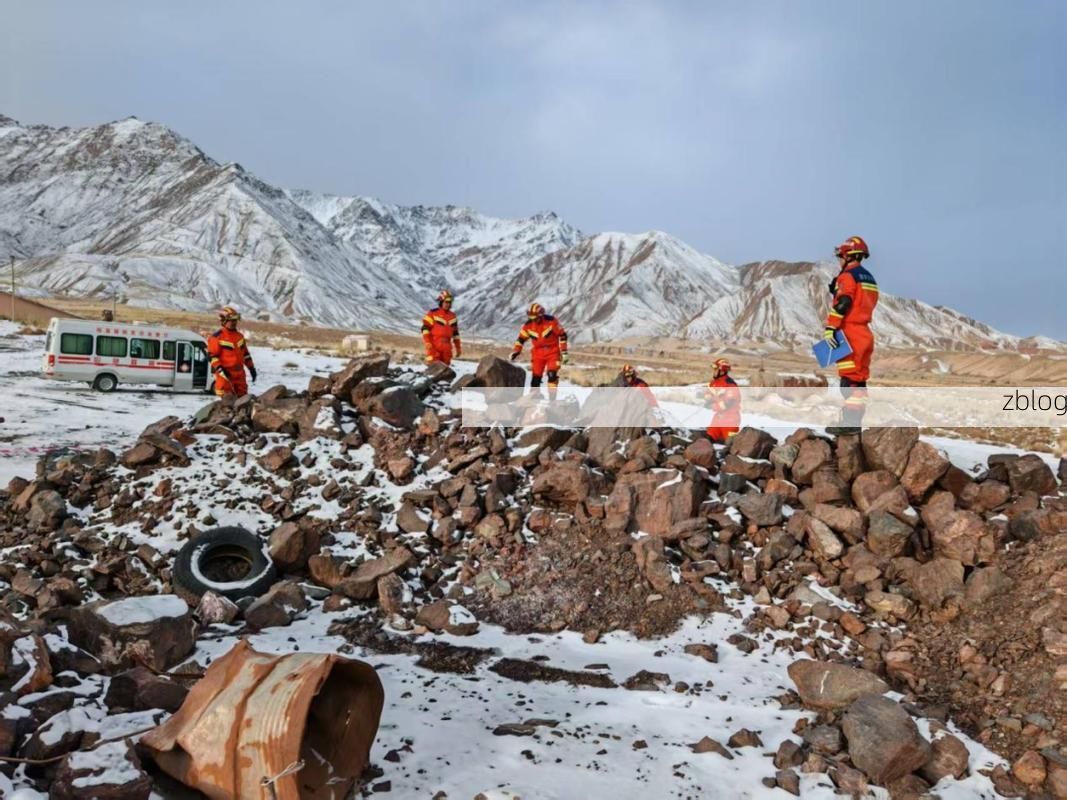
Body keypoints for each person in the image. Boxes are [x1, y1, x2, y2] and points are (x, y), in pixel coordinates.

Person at [822, 236, 879, 433]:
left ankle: (850, 424)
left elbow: (844, 303)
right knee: (859, 380)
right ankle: (854, 422)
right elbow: (860, 303)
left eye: (840, 256)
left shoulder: (847, 276)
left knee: (849, 381)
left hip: (850, 333)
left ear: (847, 255)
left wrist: (831, 327)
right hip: (865, 333)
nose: (839, 260)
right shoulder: (869, 279)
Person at [510, 303, 568, 395]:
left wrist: (564, 352)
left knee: (552, 375)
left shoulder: (551, 321)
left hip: (553, 352)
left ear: (541, 315)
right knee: (535, 378)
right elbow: (521, 339)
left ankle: (552, 400)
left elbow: (562, 335)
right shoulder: (528, 325)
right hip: (537, 354)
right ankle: (533, 399)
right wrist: (516, 351)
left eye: (535, 318)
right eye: (531, 318)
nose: (533, 320)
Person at [206, 306, 257, 398]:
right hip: (225, 375)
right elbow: (212, 356)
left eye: (235, 320)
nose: (234, 323)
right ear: (224, 320)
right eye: (231, 320)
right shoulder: (216, 337)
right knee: (228, 402)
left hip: (240, 375)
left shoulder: (240, 336)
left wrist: (251, 368)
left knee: (242, 400)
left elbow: (245, 355)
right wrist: (220, 369)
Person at [421, 290, 461, 365]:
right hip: (434, 346)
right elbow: (425, 328)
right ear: (441, 302)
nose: (448, 304)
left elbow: (456, 334)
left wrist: (458, 348)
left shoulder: (453, 316)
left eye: (450, 302)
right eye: (446, 302)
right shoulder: (432, 313)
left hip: (447, 347)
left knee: (445, 371)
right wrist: (427, 341)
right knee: (433, 369)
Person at [705, 358, 741, 443]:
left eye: (715, 369)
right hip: (718, 418)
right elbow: (709, 392)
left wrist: (712, 406)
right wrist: (707, 398)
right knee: (709, 437)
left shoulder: (731, 385)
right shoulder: (714, 383)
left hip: (730, 419)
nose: (714, 372)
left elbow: (728, 403)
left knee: (730, 443)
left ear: (722, 371)